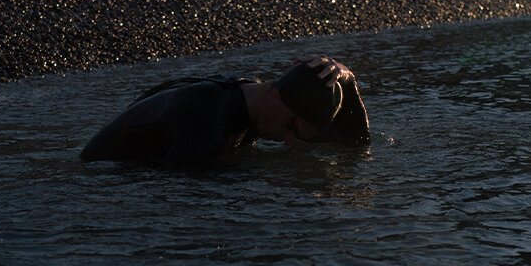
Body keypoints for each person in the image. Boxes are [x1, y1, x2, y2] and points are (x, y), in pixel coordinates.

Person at [80, 55, 369, 168]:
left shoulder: (247, 96)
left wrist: (347, 76)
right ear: (280, 97)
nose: (289, 141)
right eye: (293, 128)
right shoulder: (208, 120)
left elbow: (354, 145)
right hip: (97, 178)